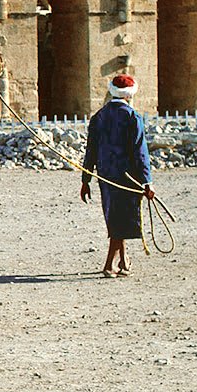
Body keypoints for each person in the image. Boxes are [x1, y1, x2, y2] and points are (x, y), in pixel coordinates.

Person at [80, 73, 156, 277]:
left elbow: (91, 150)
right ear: (130, 95)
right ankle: (109, 265)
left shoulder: (99, 117)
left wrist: (85, 180)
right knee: (120, 221)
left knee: (115, 217)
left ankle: (123, 261)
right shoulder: (132, 117)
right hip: (127, 177)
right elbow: (141, 153)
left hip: (105, 175)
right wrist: (147, 181)